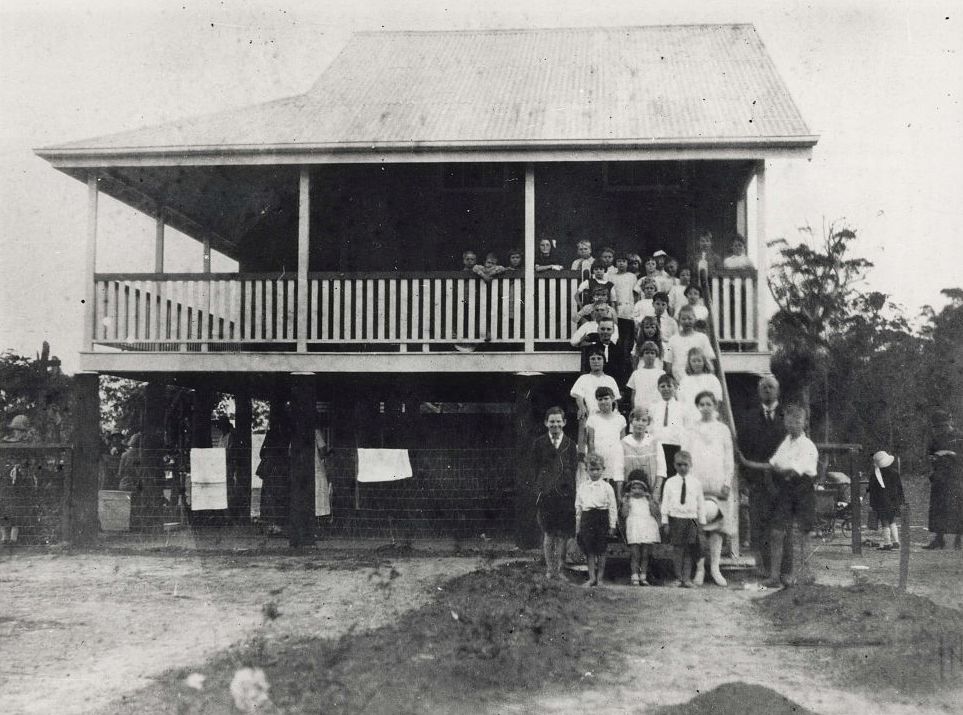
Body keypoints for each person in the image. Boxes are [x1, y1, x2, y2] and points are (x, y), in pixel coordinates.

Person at [739, 404, 819, 587]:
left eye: (797, 420)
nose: (792, 424)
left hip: (803, 488)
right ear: (785, 422)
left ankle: (807, 575)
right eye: (789, 420)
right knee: (777, 532)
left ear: (804, 423)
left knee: (804, 532)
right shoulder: (785, 443)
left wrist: (780, 469)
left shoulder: (808, 446)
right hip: (787, 490)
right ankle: (775, 576)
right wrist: (747, 462)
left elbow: (793, 470)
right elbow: (772, 464)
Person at [737, 376, 792, 580]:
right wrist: (747, 479)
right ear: (759, 392)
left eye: (771, 387)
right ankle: (765, 569)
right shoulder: (749, 418)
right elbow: (742, 450)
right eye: (763, 387)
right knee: (760, 525)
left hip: (783, 481)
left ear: (777, 391)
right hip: (758, 481)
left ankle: (785, 571)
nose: (767, 390)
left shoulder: (787, 416)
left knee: (781, 526)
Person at [681, 391, 735, 587]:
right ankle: (700, 569)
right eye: (701, 404)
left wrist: (727, 482)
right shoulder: (691, 429)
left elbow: (729, 458)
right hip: (697, 484)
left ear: (715, 406)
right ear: (697, 407)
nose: (705, 407)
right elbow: (685, 457)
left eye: (708, 404)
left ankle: (715, 568)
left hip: (718, 485)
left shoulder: (723, 429)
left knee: (718, 528)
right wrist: (687, 483)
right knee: (698, 528)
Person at [531, 407, 579, 579]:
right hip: (547, 494)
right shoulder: (539, 444)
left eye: (559, 421)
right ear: (546, 423)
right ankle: (550, 570)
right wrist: (541, 488)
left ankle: (560, 568)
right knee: (549, 532)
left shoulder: (571, 445)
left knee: (562, 534)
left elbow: (573, 469)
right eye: (552, 421)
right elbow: (536, 469)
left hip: (565, 495)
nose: (555, 424)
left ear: (564, 423)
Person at [660, 450, 706, 588]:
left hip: (691, 519)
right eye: (679, 465)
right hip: (676, 518)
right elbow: (665, 503)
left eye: (685, 465)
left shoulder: (696, 483)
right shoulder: (670, 482)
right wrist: (665, 521)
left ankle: (687, 578)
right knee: (678, 550)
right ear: (674, 465)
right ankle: (678, 578)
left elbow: (701, 503)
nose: (682, 468)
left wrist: (702, 522)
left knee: (689, 550)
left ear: (690, 465)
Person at [576, 453, 617, 587]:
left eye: (597, 469)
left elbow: (612, 507)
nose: (594, 472)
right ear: (586, 470)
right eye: (591, 469)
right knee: (590, 550)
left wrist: (612, 525)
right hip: (587, 519)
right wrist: (578, 524)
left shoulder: (607, 487)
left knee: (602, 549)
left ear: (603, 469)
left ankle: (600, 578)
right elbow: (579, 506)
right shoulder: (582, 487)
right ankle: (592, 577)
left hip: (601, 518)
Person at [923, 410, 963, 550]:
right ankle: (939, 539)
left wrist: (949, 453)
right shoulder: (935, 438)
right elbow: (929, 453)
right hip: (940, 477)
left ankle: (959, 538)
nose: (939, 430)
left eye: (942, 426)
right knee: (938, 508)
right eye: (936, 427)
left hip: (956, 477)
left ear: (949, 423)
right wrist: (932, 459)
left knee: (957, 507)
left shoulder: (959, 437)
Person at [586, 387, 627, 499]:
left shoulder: (620, 419)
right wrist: (594, 461)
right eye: (600, 399)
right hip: (600, 461)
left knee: (615, 493)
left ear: (613, 399)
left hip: (615, 461)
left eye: (606, 398)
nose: (603, 402)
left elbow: (623, 442)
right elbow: (591, 442)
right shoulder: (593, 419)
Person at [257, 403, 291, 536]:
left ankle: (270, 525)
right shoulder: (288, 434)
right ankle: (279, 525)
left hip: (270, 469)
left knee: (268, 497)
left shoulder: (271, 434)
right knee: (281, 497)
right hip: (282, 469)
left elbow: (261, 452)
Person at [621, 474, 661, 585]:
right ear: (630, 489)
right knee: (635, 553)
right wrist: (626, 502)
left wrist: (650, 500)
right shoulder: (629, 500)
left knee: (645, 554)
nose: (637, 490)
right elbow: (624, 514)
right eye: (634, 488)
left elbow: (655, 513)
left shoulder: (647, 500)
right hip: (634, 527)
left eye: (640, 488)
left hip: (647, 527)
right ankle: (634, 575)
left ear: (644, 489)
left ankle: (643, 576)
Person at [664, 305, 716, 385]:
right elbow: (668, 364)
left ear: (695, 319)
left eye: (690, 318)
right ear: (679, 320)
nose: (687, 321)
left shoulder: (702, 338)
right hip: (679, 383)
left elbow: (709, 361)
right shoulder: (672, 340)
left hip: (700, 381)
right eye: (683, 319)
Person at [622, 407, 666, 496]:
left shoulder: (655, 442)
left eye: (644, 420)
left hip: (651, 491)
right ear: (631, 421)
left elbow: (661, 471)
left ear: (648, 423)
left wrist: (656, 492)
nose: (640, 423)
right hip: (630, 492)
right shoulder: (623, 443)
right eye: (637, 420)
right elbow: (618, 472)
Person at [648, 374, 685, 479]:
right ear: (658, 388)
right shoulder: (654, 407)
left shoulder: (681, 407)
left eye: (669, 386)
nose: (666, 389)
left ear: (675, 387)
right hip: (659, 445)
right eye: (663, 386)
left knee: (673, 475)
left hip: (675, 445)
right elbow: (650, 427)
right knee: (660, 474)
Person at [676, 347, 724, 424]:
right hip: (690, 418)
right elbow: (681, 401)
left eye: (699, 361)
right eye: (693, 361)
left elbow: (718, 400)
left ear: (704, 362)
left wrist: (713, 415)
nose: (696, 363)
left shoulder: (712, 379)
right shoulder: (684, 380)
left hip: (708, 416)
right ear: (689, 363)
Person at [868, 450, 904, 551]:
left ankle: (887, 543)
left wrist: (872, 504)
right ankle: (896, 541)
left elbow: (872, 491)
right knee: (892, 520)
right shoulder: (895, 473)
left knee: (884, 522)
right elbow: (899, 488)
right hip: (893, 500)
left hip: (881, 501)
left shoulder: (875, 475)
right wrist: (901, 500)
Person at [570, 350, 621, 420]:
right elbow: (579, 396)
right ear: (589, 362)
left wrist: (614, 414)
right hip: (590, 415)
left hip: (607, 416)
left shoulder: (610, 380)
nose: (596, 361)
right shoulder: (583, 378)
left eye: (599, 358)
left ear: (604, 362)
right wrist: (582, 408)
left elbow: (614, 401)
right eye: (593, 359)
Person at [610, 255, 639, 361]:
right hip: (617, 309)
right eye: (619, 261)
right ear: (615, 263)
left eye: (624, 261)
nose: (621, 263)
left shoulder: (632, 276)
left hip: (629, 309)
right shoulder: (611, 277)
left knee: (628, 338)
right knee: (618, 337)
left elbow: (636, 294)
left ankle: (627, 359)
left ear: (627, 263)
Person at [625, 341, 663, 414]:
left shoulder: (661, 373)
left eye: (652, 353)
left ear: (656, 355)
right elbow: (633, 394)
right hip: (640, 408)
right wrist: (634, 409)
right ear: (642, 355)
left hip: (656, 409)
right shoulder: (636, 373)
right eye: (647, 353)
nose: (649, 356)